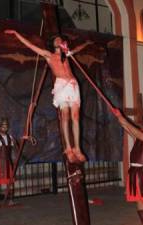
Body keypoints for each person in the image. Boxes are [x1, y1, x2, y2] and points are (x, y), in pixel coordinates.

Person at [5, 30, 93, 163]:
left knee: (75, 117)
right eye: (56, 40)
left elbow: (78, 49)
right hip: (62, 86)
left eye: (60, 39)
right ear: (52, 44)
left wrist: (86, 43)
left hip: (73, 85)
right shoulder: (49, 55)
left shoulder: (66, 54)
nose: (58, 41)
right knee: (65, 115)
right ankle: (68, 149)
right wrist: (17, 34)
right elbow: (31, 45)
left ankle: (77, 149)